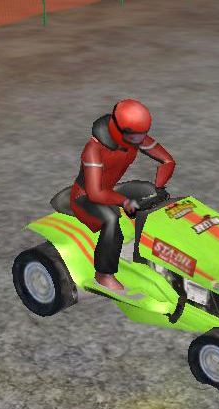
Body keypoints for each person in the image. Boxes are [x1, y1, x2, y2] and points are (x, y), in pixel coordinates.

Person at [69, 99, 176, 291]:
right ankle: (103, 275)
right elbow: (95, 193)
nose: (140, 140)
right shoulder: (93, 150)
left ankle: (157, 249)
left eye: (142, 134)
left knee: (150, 192)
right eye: (135, 136)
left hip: (110, 190)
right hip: (84, 196)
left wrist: (159, 187)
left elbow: (167, 160)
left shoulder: (135, 138)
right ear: (118, 130)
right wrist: (125, 201)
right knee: (111, 219)